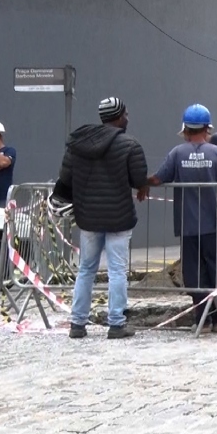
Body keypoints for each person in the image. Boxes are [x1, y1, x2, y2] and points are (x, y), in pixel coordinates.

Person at [63, 97, 149, 339]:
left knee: (86, 269)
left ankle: (77, 324)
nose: (128, 117)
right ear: (120, 116)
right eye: (126, 113)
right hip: (119, 216)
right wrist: (143, 186)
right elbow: (138, 178)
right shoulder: (130, 144)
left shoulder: (79, 144)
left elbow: (65, 177)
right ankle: (116, 323)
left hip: (88, 216)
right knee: (117, 270)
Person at [147, 104, 217, 333]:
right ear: (207, 128)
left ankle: (202, 319)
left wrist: (139, 181)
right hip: (214, 226)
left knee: (195, 275)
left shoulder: (177, 153)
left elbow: (159, 178)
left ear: (185, 129)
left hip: (188, 226)